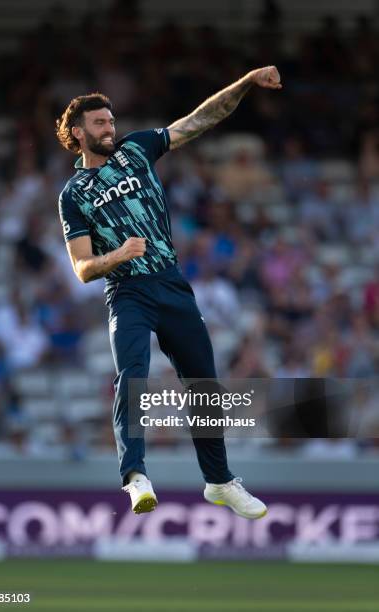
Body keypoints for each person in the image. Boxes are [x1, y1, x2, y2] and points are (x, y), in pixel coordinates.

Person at [56, 66, 282, 517]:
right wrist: (119, 254)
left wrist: (245, 82)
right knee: (132, 375)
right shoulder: (74, 193)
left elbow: (198, 120)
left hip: (171, 284)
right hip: (128, 291)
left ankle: (219, 482)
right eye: (100, 123)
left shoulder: (136, 149)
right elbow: (82, 269)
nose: (110, 128)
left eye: (111, 120)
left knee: (205, 386)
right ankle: (135, 476)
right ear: (78, 133)